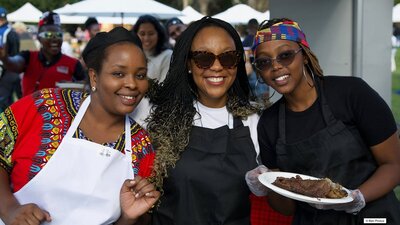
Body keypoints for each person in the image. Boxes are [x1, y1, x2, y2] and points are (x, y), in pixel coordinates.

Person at [245, 18, 400, 225]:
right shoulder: (269, 123)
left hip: (372, 216)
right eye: (264, 61)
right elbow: (286, 208)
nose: (276, 66)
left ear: (305, 56)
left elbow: (393, 164)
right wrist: (268, 185)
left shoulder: (352, 93)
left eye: (285, 55)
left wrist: (357, 198)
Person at [0, 26, 160, 224]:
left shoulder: (142, 147)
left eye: (140, 75)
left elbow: (141, 215)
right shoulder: (45, 107)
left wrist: (127, 217)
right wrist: (9, 208)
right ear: (94, 77)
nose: (132, 84)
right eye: (119, 74)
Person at [145, 16, 260, 225]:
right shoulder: (160, 116)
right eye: (203, 58)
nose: (216, 67)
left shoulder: (252, 120)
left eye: (227, 57)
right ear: (188, 63)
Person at [0, 11, 86, 97]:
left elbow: (87, 88)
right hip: (30, 109)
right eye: (48, 35)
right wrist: (5, 58)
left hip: (59, 110)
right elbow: (14, 64)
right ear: (38, 37)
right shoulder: (28, 56)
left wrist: (76, 87)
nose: (54, 39)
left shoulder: (73, 64)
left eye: (58, 34)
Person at [132, 15, 172, 82]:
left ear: (158, 35)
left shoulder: (167, 56)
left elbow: (165, 86)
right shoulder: (132, 56)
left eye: (151, 34)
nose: (146, 38)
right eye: (142, 34)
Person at [0, 7, 21, 112]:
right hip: (7, 69)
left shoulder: (8, 32)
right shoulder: (7, 31)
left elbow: (15, 53)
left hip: (7, 70)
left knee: (5, 100)